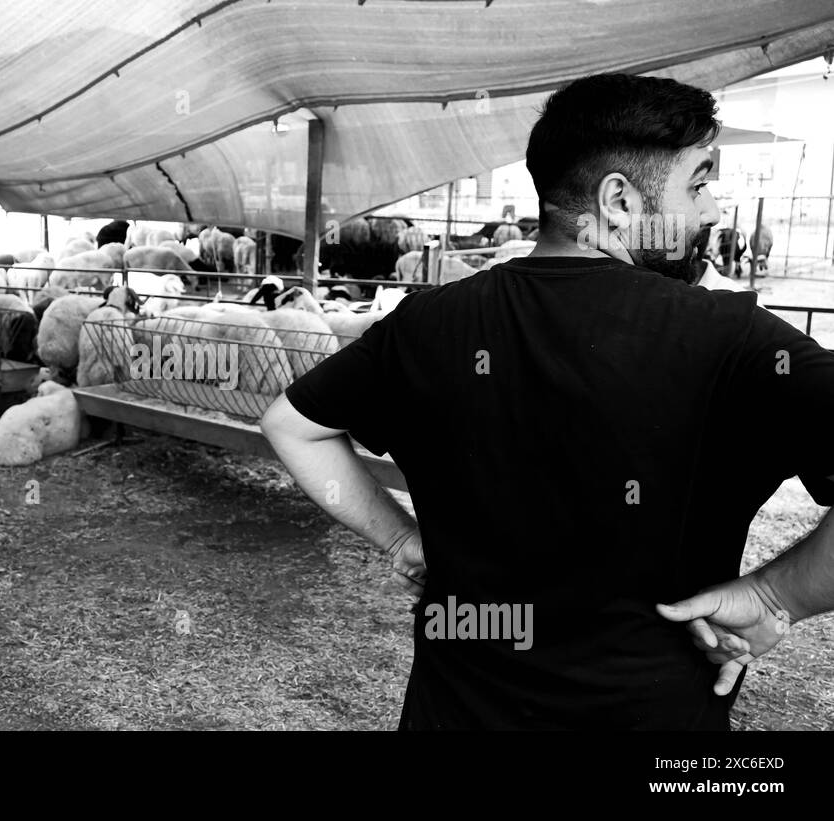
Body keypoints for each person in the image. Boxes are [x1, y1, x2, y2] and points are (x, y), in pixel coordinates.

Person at [261, 73, 834, 730]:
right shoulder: (733, 340)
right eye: (698, 184)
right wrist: (774, 595)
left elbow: (291, 425)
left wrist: (400, 539)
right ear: (617, 200)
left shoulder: (428, 324)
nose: (710, 213)